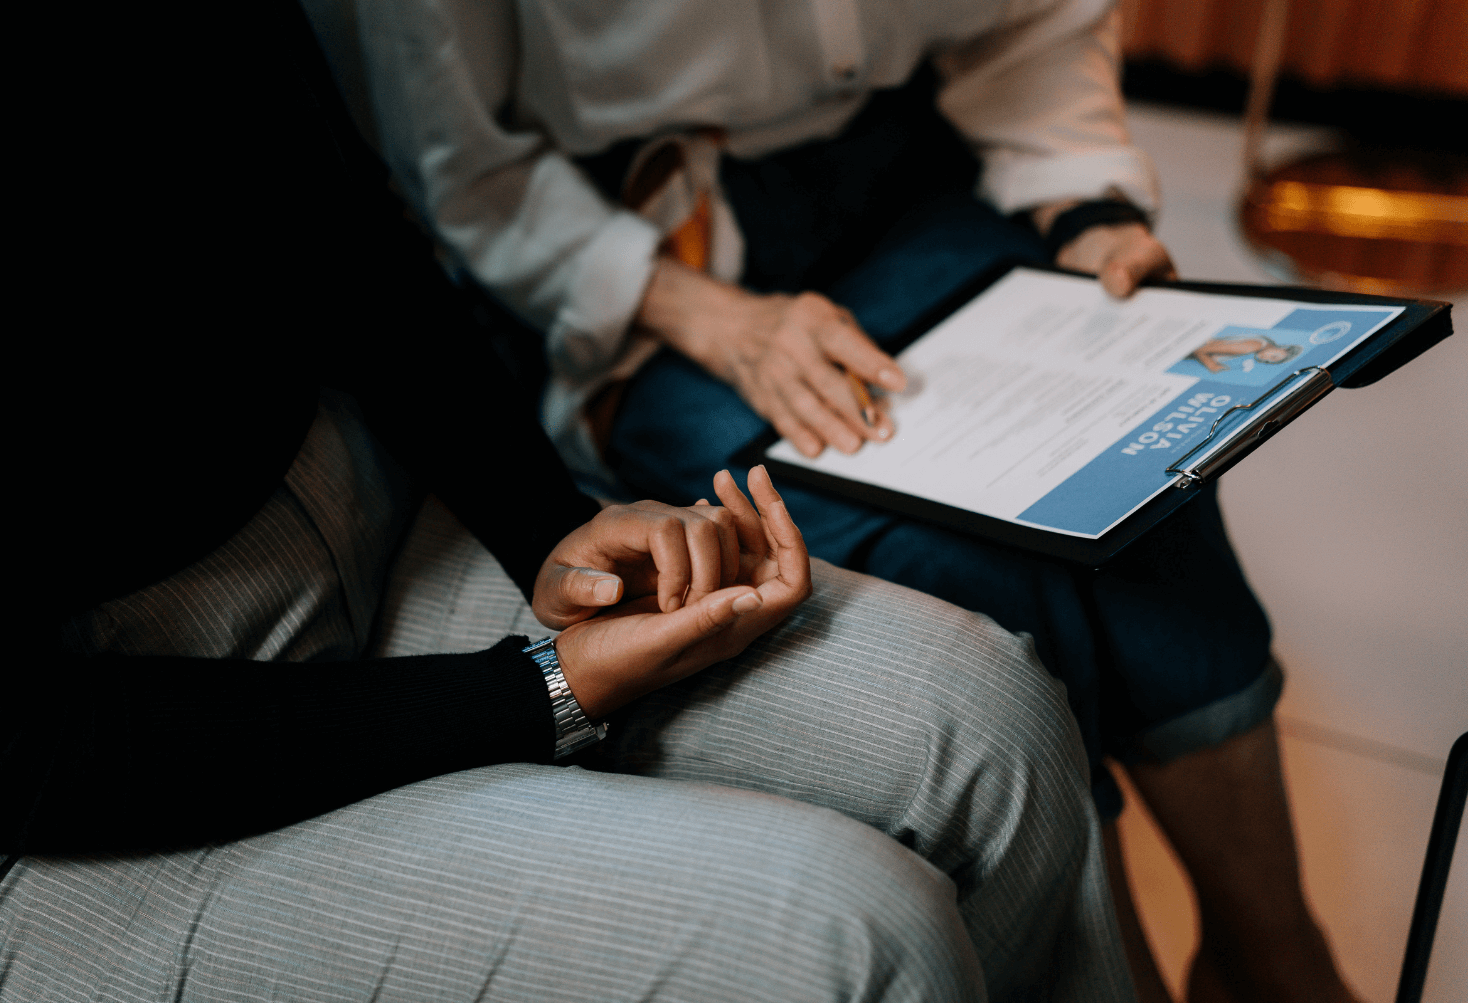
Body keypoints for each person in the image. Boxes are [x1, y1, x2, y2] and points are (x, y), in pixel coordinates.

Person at [0, 6, 1134, 1000]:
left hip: (361, 508)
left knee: (995, 724)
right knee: (853, 937)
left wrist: (545, 527)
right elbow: (8, 749)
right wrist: (538, 692)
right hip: (51, 786)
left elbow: (341, 222)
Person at [303, 1, 1363, 999]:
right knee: (955, 566)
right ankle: (1108, 961)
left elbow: (1033, 21)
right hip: (626, 238)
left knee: (1141, 482)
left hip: (896, 167)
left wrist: (1085, 209)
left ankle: (1271, 951)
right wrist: (712, 317)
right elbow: (463, 168)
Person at [1189, 334, 1305, 372]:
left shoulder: (1258, 344)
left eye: (1269, 362)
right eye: (1274, 356)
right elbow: (1199, 349)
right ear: (1283, 347)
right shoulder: (1254, 345)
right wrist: (1213, 366)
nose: (1266, 359)